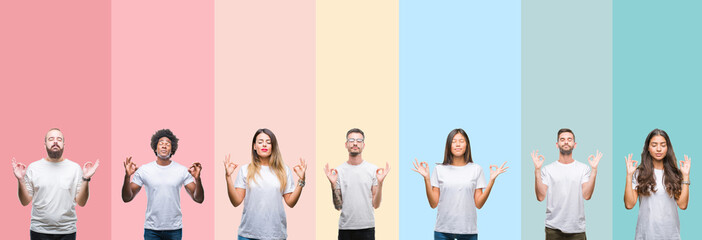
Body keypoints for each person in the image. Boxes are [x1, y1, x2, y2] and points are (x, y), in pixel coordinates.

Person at [411, 128, 507, 240]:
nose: (458, 144)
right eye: (454, 141)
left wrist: (492, 181)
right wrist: (426, 179)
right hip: (443, 231)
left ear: (467, 145)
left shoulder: (476, 169)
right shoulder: (439, 169)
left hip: (468, 231)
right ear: (448, 145)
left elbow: (479, 204)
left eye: (461, 141)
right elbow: (433, 204)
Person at [11, 128, 99, 240]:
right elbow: (25, 201)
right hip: (39, 230)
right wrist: (20, 180)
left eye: (59, 139)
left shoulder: (75, 168)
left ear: (64, 144)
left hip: (67, 231)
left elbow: (81, 202)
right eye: (51, 139)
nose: (55, 142)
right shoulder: (34, 168)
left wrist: (86, 178)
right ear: (45, 145)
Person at [224, 128, 307, 240]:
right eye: (260, 142)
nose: (264, 145)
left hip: (275, 234)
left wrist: (301, 180)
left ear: (273, 146)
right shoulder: (245, 170)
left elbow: (291, 202)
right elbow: (236, 201)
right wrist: (228, 177)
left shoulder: (284, 170)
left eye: (268, 142)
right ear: (254, 146)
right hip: (248, 235)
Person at [121, 129, 204, 240]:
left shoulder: (182, 170)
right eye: (161, 143)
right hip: (152, 229)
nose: (164, 146)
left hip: (175, 229)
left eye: (167, 144)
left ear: (172, 149)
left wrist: (198, 179)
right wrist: (127, 176)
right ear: (155, 148)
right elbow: (127, 198)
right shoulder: (144, 170)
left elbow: (198, 199)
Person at [532, 128, 602, 240]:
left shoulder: (583, 168)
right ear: (557, 144)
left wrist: (594, 170)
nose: (566, 142)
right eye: (562, 139)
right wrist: (537, 170)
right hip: (553, 229)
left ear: (575, 144)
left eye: (569, 139)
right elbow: (540, 197)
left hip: (577, 230)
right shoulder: (547, 169)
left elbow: (587, 195)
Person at [323, 128, 390, 240]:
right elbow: (338, 206)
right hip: (345, 228)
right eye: (351, 140)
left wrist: (380, 183)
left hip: (367, 227)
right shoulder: (338, 171)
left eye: (359, 141)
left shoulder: (373, 170)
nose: (355, 143)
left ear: (363, 145)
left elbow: (376, 205)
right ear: (346, 144)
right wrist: (333, 184)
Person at [624, 129, 690, 240]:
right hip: (645, 235)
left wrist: (686, 176)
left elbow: (683, 205)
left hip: (671, 235)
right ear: (648, 148)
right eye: (654, 145)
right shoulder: (639, 173)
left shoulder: (675, 174)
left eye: (663, 145)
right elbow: (629, 205)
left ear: (667, 148)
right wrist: (629, 175)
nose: (658, 149)